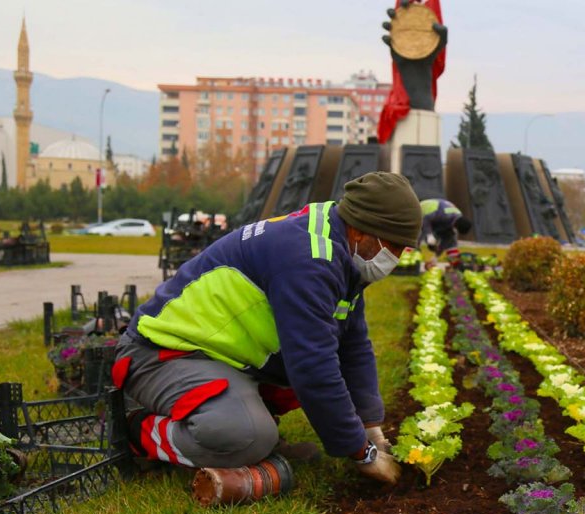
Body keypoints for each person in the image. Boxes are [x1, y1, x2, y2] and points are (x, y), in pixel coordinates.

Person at [113, 171, 422, 495]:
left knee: (311, 384)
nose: (397, 259)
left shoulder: (338, 245)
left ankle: (246, 431)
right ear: (362, 231)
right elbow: (313, 370)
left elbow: (353, 345)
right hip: (160, 352)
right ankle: (140, 432)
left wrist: (372, 429)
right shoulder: (311, 260)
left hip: (218, 354)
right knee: (248, 434)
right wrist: (362, 453)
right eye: (395, 247)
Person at [420, 198, 472, 269]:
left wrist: (436, 257)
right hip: (420, 211)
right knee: (416, 237)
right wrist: (429, 234)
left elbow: (446, 241)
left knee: (451, 242)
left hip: (436, 220)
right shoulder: (445, 215)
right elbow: (426, 219)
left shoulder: (457, 218)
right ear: (456, 227)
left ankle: (455, 265)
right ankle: (408, 260)